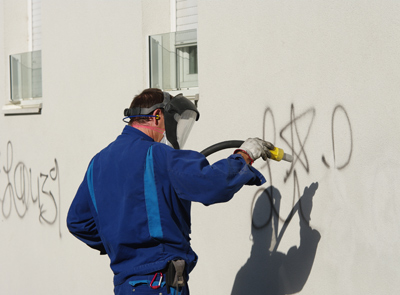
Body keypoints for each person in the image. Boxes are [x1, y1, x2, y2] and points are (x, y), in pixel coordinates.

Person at [67, 88, 275, 295]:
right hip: (160, 283)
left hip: (125, 287)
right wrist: (244, 155)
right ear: (158, 116)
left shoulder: (98, 163)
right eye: (171, 122)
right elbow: (213, 184)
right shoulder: (158, 155)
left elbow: (78, 222)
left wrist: (119, 242)